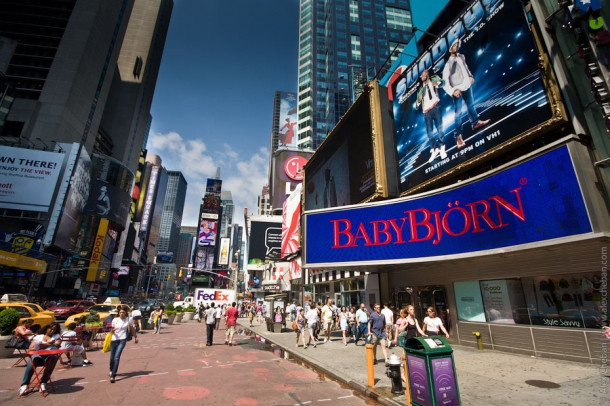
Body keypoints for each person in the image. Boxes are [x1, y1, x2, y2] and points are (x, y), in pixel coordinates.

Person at [442, 38, 490, 149]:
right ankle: (458, 136)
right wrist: (453, 91)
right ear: (450, 48)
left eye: (457, 45)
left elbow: (465, 68)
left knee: (471, 105)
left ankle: (475, 122)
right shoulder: (448, 65)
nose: (456, 47)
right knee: (458, 113)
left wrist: (470, 76)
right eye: (454, 46)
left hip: (467, 86)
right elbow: (444, 82)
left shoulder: (461, 56)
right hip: (457, 90)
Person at [18, 322, 62, 395]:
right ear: (46, 328)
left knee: (53, 357)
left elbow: (57, 345)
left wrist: (44, 345)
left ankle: (43, 382)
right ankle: (24, 385)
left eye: (54, 329)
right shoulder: (38, 337)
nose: (52, 331)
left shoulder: (56, 336)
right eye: (50, 329)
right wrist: (48, 344)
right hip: (38, 356)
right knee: (33, 359)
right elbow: (31, 349)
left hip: (49, 357)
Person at [416, 68, 446, 163]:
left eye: (423, 74)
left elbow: (443, 82)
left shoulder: (434, 79)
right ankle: (435, 148)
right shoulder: (420, 89)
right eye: (421, 75)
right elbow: (416, 106)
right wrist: (418, 101)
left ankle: (442, 147)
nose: (422, 76)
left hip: (436, 107)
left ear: (427, 73)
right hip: (427, 112)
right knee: (430, 133)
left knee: (440, 128)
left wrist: (438, 84)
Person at [108, 305, 138, 383]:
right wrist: (112, 330)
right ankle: (111, 369)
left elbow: (131, 328)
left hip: (122, 339)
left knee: (117, 357)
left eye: (123, 312)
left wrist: (135, 337)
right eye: (120, 312)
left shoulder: (128, 319)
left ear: (126, 313)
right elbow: (111, 329)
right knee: (112, 357)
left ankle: (113, 375)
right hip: (114, 339)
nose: (121, 314)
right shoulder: (115, 320)